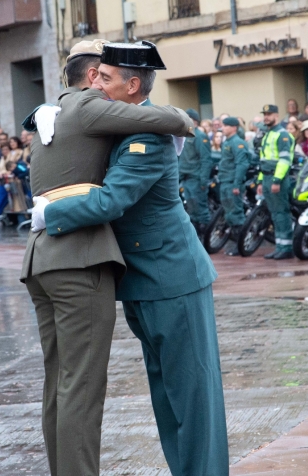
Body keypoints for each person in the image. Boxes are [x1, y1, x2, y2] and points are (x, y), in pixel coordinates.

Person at [30, 40, 228, 476]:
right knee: (166, 399)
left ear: (133, 85)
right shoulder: (115, 125)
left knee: (193, 401)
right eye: (94, 76)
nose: (95, 84)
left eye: (105, 78)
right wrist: (50, 111)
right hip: (143, 282)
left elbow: (113, 200)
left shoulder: (148, 137)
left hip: (173, 279)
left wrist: (51, 213)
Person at [258, 104, 295, 259]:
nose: (266, 117)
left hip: (276, 178)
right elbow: (264, 160)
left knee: (281, 213)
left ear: (276, 116)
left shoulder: (283, 135)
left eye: (269, 114)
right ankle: (279, 246)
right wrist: (260, 181)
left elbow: (285, 161)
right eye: (265, 114)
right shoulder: (268, 134)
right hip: (267, 177)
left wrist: (276, 180)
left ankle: (286, 248)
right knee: (274, 214)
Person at [218, 117, 251, 256]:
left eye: (226, 126)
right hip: (225, 181)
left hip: (232, 183)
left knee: (236, 214)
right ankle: (235, 244)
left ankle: (241, 244)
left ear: (234, 128)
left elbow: (241, 165)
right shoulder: (228, 142)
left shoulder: (238, 143)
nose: (223, 128)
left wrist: (237, 184)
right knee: (229, 214)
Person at [179, 108, 213, 231]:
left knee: (201, 209)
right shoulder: (184, 135)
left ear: (195, 121)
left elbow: (205, 159)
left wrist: (203, 180)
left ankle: (205, 238)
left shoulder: (199, 136)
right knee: (191, 209)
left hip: (196, 178)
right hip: (186, 178)